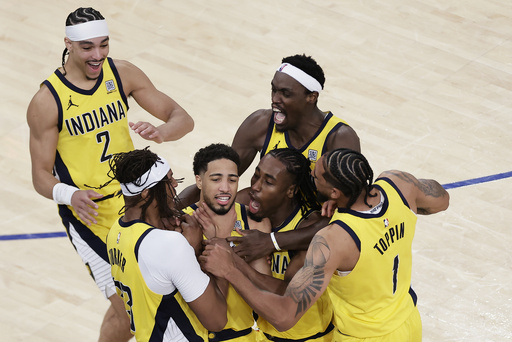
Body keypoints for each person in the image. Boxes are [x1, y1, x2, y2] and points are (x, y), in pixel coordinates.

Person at [26, 7, 194, 342]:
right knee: (131, 311)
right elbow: (41, 177)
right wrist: (69, 194)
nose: (98, 54)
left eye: (104, 44)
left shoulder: (122, 74)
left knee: (138, 304)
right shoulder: (47, 101)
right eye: (88, 47)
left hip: (136, 202)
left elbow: (182, 118)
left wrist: (162, 132)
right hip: (90, 217)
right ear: (68, 44)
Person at [200, 148, 450, 341]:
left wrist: (231, 268)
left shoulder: (334, 239)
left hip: (364, 336)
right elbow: (441, 199)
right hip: (408, 322)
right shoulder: (398, 185)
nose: (311, 177)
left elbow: (284, 316)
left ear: (333, 192)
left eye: (315, 177)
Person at [106, 148, 227, 341]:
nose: (174, 185)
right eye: (168, 180)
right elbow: (217, 320)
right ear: (146, 193)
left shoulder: (115, 232)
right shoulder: (169, 245)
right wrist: (197, 248)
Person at [229, 148, 334, 341]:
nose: (256, 187)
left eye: (268, 182)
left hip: (308, 336)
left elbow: (289, 296)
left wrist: (234, 264)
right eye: (256, 175)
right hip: (262, 332)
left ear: (290, 191)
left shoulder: (307, 229)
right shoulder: (244, 201)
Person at [183, 143, 270, 341]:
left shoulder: (255, 223)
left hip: (241, 335)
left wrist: (220, 244)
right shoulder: (179, 224)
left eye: (232, 180)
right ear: (199, 180)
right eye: (216, 179)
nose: (225, 188)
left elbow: (263, 294)